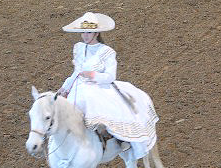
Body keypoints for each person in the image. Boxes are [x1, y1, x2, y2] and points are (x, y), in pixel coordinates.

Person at [57, 12, 158, 159]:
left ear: (96, 33)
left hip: (97, 87)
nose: (85, 35)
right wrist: (65, 87)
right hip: (79, 86)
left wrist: (92, 75)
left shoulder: (106, 52)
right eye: (83, 32)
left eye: (89, 32)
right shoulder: (78, 48)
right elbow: (76, 72)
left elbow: (110, 76)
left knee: (102, 108)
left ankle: (115, 139)